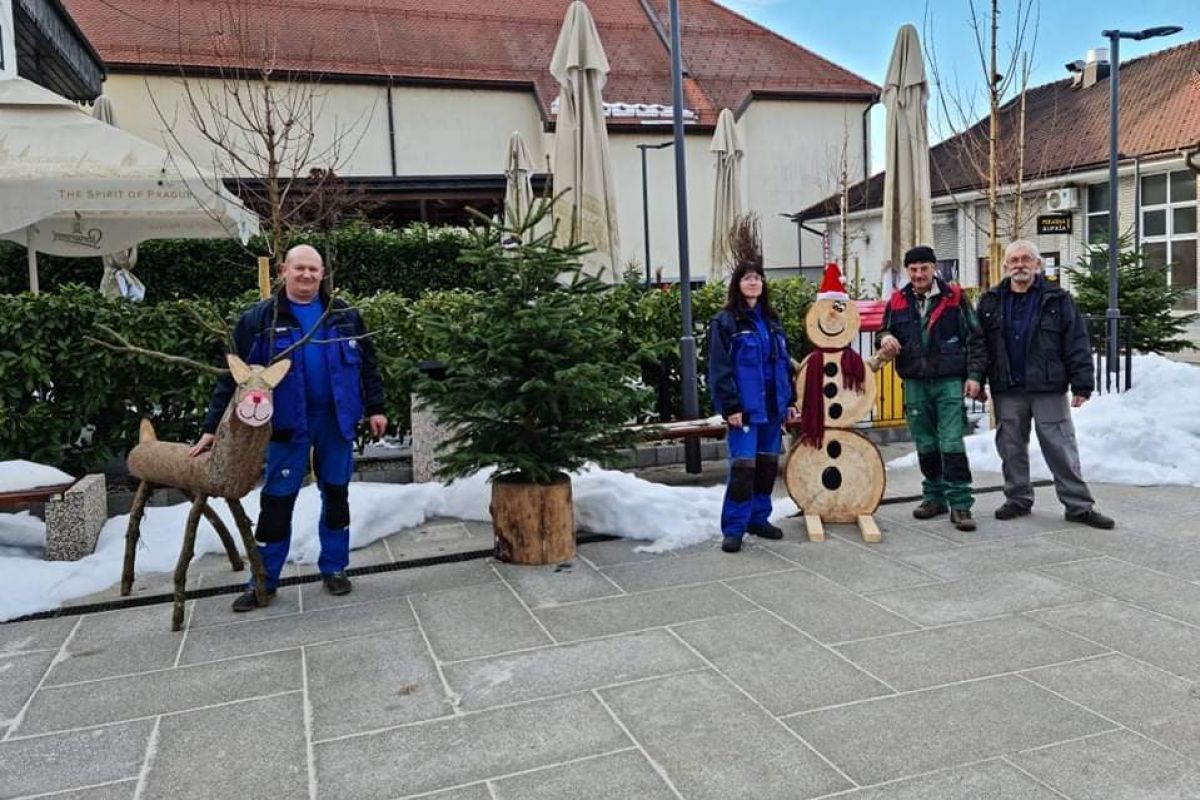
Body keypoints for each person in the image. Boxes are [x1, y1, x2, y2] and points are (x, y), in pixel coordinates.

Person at [190, 244, 388, 611]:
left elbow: (368, 365)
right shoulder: (259, 320)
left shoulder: (344, 316)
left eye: (314, 269)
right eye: (299, 268)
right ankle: (263, 581)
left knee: (337, 495)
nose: (307, 275)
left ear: (323, 274)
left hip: (336, 422)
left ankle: (335, 568)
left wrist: (376, 408)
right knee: (277, 502)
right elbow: (231, 376)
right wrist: (211, 427)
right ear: (284, 270)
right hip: (286, 426)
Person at [975, 239, 1114, 529]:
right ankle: (1018, 498)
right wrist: (976, 379)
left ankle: (1078, 505)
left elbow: (1076, 341)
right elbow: (978, 345)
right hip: (1007, 388)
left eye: (1026, 259)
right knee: (1010, 447)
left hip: (1047, 386)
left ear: (1037, 265)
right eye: (1014, 260)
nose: (1020, 265)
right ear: (1005, 266)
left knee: (1060, 446)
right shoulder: (990, 301)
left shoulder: (1058, 299)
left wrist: (1082, 384)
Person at [878, 245, 985, 532]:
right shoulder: (897, 301)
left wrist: (974, 375)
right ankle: (933, 497)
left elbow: (976, 338)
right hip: (914, 381)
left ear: (934, 268)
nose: (918, 274)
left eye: (924, 268)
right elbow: (883, 330)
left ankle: (960, 504)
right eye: (913, 269)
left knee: (951, 442)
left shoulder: (955, 298)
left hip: (949, 381)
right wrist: (886, 338)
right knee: (925, 443)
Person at [708, 260, 798, 553]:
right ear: (737, 284)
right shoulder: (725, 322)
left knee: (767, 467)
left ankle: (759, 518)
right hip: (745, 410)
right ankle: (734, 528)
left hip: (772, 408)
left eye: (757, 278)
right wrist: (730, 406)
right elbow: (719, 369)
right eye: (747, 278)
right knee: (744, 469)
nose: (753, 283)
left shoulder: (772, 321)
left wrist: (790, 401)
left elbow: (783, 364)